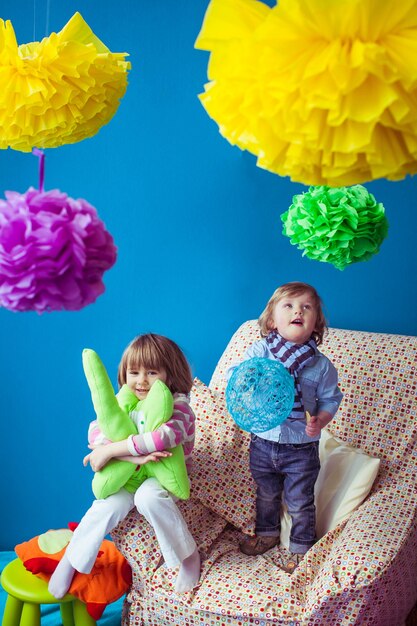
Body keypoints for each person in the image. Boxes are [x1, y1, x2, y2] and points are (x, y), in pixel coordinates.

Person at [49, 333, 200, 598]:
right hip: (130, 471)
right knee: (107, 505)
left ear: (169, 374)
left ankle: (188, 556)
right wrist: (131, 457)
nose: (141, 380)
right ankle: (71, 560)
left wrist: (111, 451)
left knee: (149, 498)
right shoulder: (125, 401)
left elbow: (162, 438)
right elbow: (96, 431)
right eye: (134, 372)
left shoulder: (180, 407)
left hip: (160, 471)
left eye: (152, 372)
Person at [234, 282, 343, 572]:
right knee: (266, 493)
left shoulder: (320, 365)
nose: (298, 310)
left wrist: (321, 419)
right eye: (289, 306)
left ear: (316, 323)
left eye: (306, 307)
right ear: (272, 320)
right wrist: (248, 382)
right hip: (263, 441)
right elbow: (239, 375)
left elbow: (332, 399)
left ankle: (301, 547)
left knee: (299, 500)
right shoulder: (261, 350)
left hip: (301, 447)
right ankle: (267, 534)